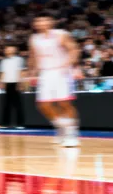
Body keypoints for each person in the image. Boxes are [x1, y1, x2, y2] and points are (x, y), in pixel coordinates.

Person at [28, 15, 81, 147]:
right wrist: (31, 73)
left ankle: (71, 135)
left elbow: (74, 49)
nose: (41, 22)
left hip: (61, 71)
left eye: (44, 20)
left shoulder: (61, 35)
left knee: (64, 103)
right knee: (43, 105)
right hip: (45, 73)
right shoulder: (34, 39)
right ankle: (62, 126)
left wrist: (71, 65)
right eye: (39, 20)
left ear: (51, 22)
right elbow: (33, 57)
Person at [0, 45, 25, 128]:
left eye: (9, 49)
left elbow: (20, 72)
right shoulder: (4, 61)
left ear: (14, 50)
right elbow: (2, 72)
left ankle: (20, 124)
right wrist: (1, 82)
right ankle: (5, 123)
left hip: (15, 82)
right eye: (6, 49)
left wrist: (20, 83)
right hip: (7, 83)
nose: (7, 50)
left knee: (18, 104)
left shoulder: (19, 60)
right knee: (6, 104)